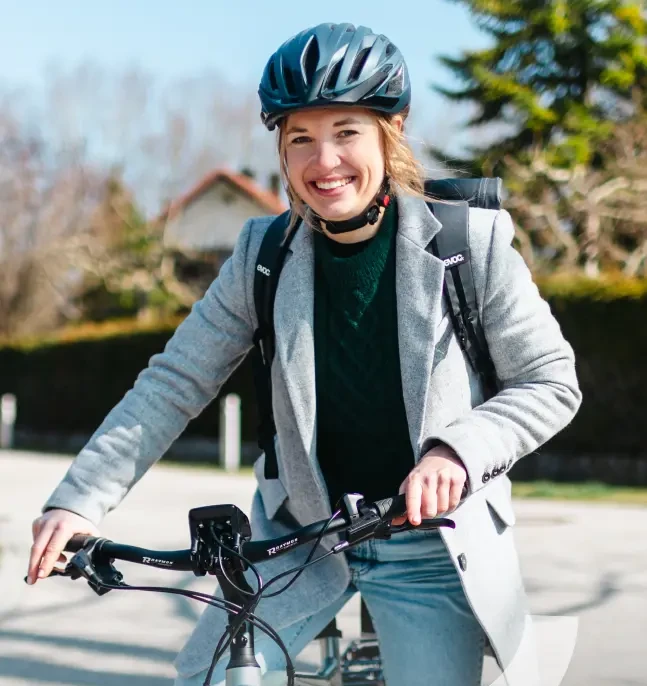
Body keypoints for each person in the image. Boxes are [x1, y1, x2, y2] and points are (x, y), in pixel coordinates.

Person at [27, 22, 581, 686]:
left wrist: (457, 449)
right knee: (206, 679)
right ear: (280, 148)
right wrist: (78, 501)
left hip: (431, 549)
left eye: (346, 132)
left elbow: (549, 381)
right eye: (300, 139)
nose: (324, 162)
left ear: (390, 129)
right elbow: (173, 382)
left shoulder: (471, 241)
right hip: (302, 543)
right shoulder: (262, 256)